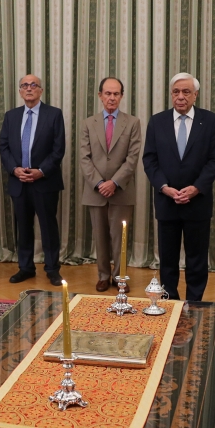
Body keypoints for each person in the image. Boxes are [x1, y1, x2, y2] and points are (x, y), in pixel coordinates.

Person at [142, 72, 215, 302]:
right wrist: (164, 187)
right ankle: (170, 303)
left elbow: (214, 160)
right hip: (167, 201)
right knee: (167, 259)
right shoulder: (157, 122)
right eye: (176, 92)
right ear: (171, 95)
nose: (180, 96)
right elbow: (150, 159)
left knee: (197, 259)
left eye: (186, 92)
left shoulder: (211, 121)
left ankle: (195, 303)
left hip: (197, 203)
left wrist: (196, 188)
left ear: (195, 95)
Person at [0, 74, 65, 285]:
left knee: (48, 227)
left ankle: (52, 269)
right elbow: (3, 147)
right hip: (19, 182)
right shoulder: (11, 116)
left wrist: (41, 171)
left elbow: (58, 149)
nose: (29, 88)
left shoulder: (54, 114)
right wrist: (14, 169)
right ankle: (25, 267)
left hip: (44, 182)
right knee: (23, 227)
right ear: (20, 91)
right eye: (24, 85)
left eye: (33, 85)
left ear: (40, 90)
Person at [80, 77, 142, 291]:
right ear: (100, 95)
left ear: (122, 96)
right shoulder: (88, 123)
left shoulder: (133, 123)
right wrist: (99, 183)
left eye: (116, 94)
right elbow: (84, 158)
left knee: (120, 237)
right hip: (95, 191)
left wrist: (114, 182)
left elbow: (133, 158)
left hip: (121, 190)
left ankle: (120, 277)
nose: (112, 97)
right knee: (100, 237)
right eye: (108, 93)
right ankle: (103, 276)